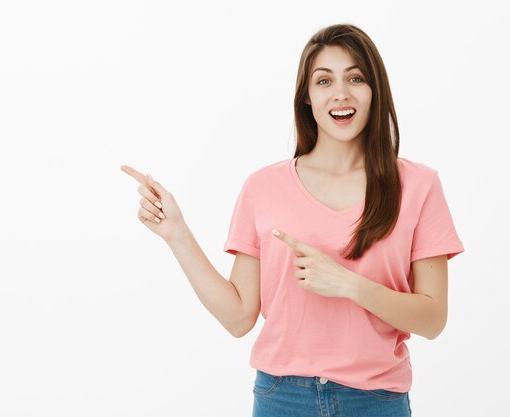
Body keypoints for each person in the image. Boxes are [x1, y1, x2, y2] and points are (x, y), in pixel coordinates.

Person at [120, 23, 464, 417]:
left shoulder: (419, 186)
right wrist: (177, 234)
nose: (341, 93)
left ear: (375, 92)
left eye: (356, 78)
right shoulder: (262, 187)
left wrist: (348, 284)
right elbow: (238, 318)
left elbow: (433, 319)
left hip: (376, 400)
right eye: (324, 81)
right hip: (282, 399)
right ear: (307, 97)